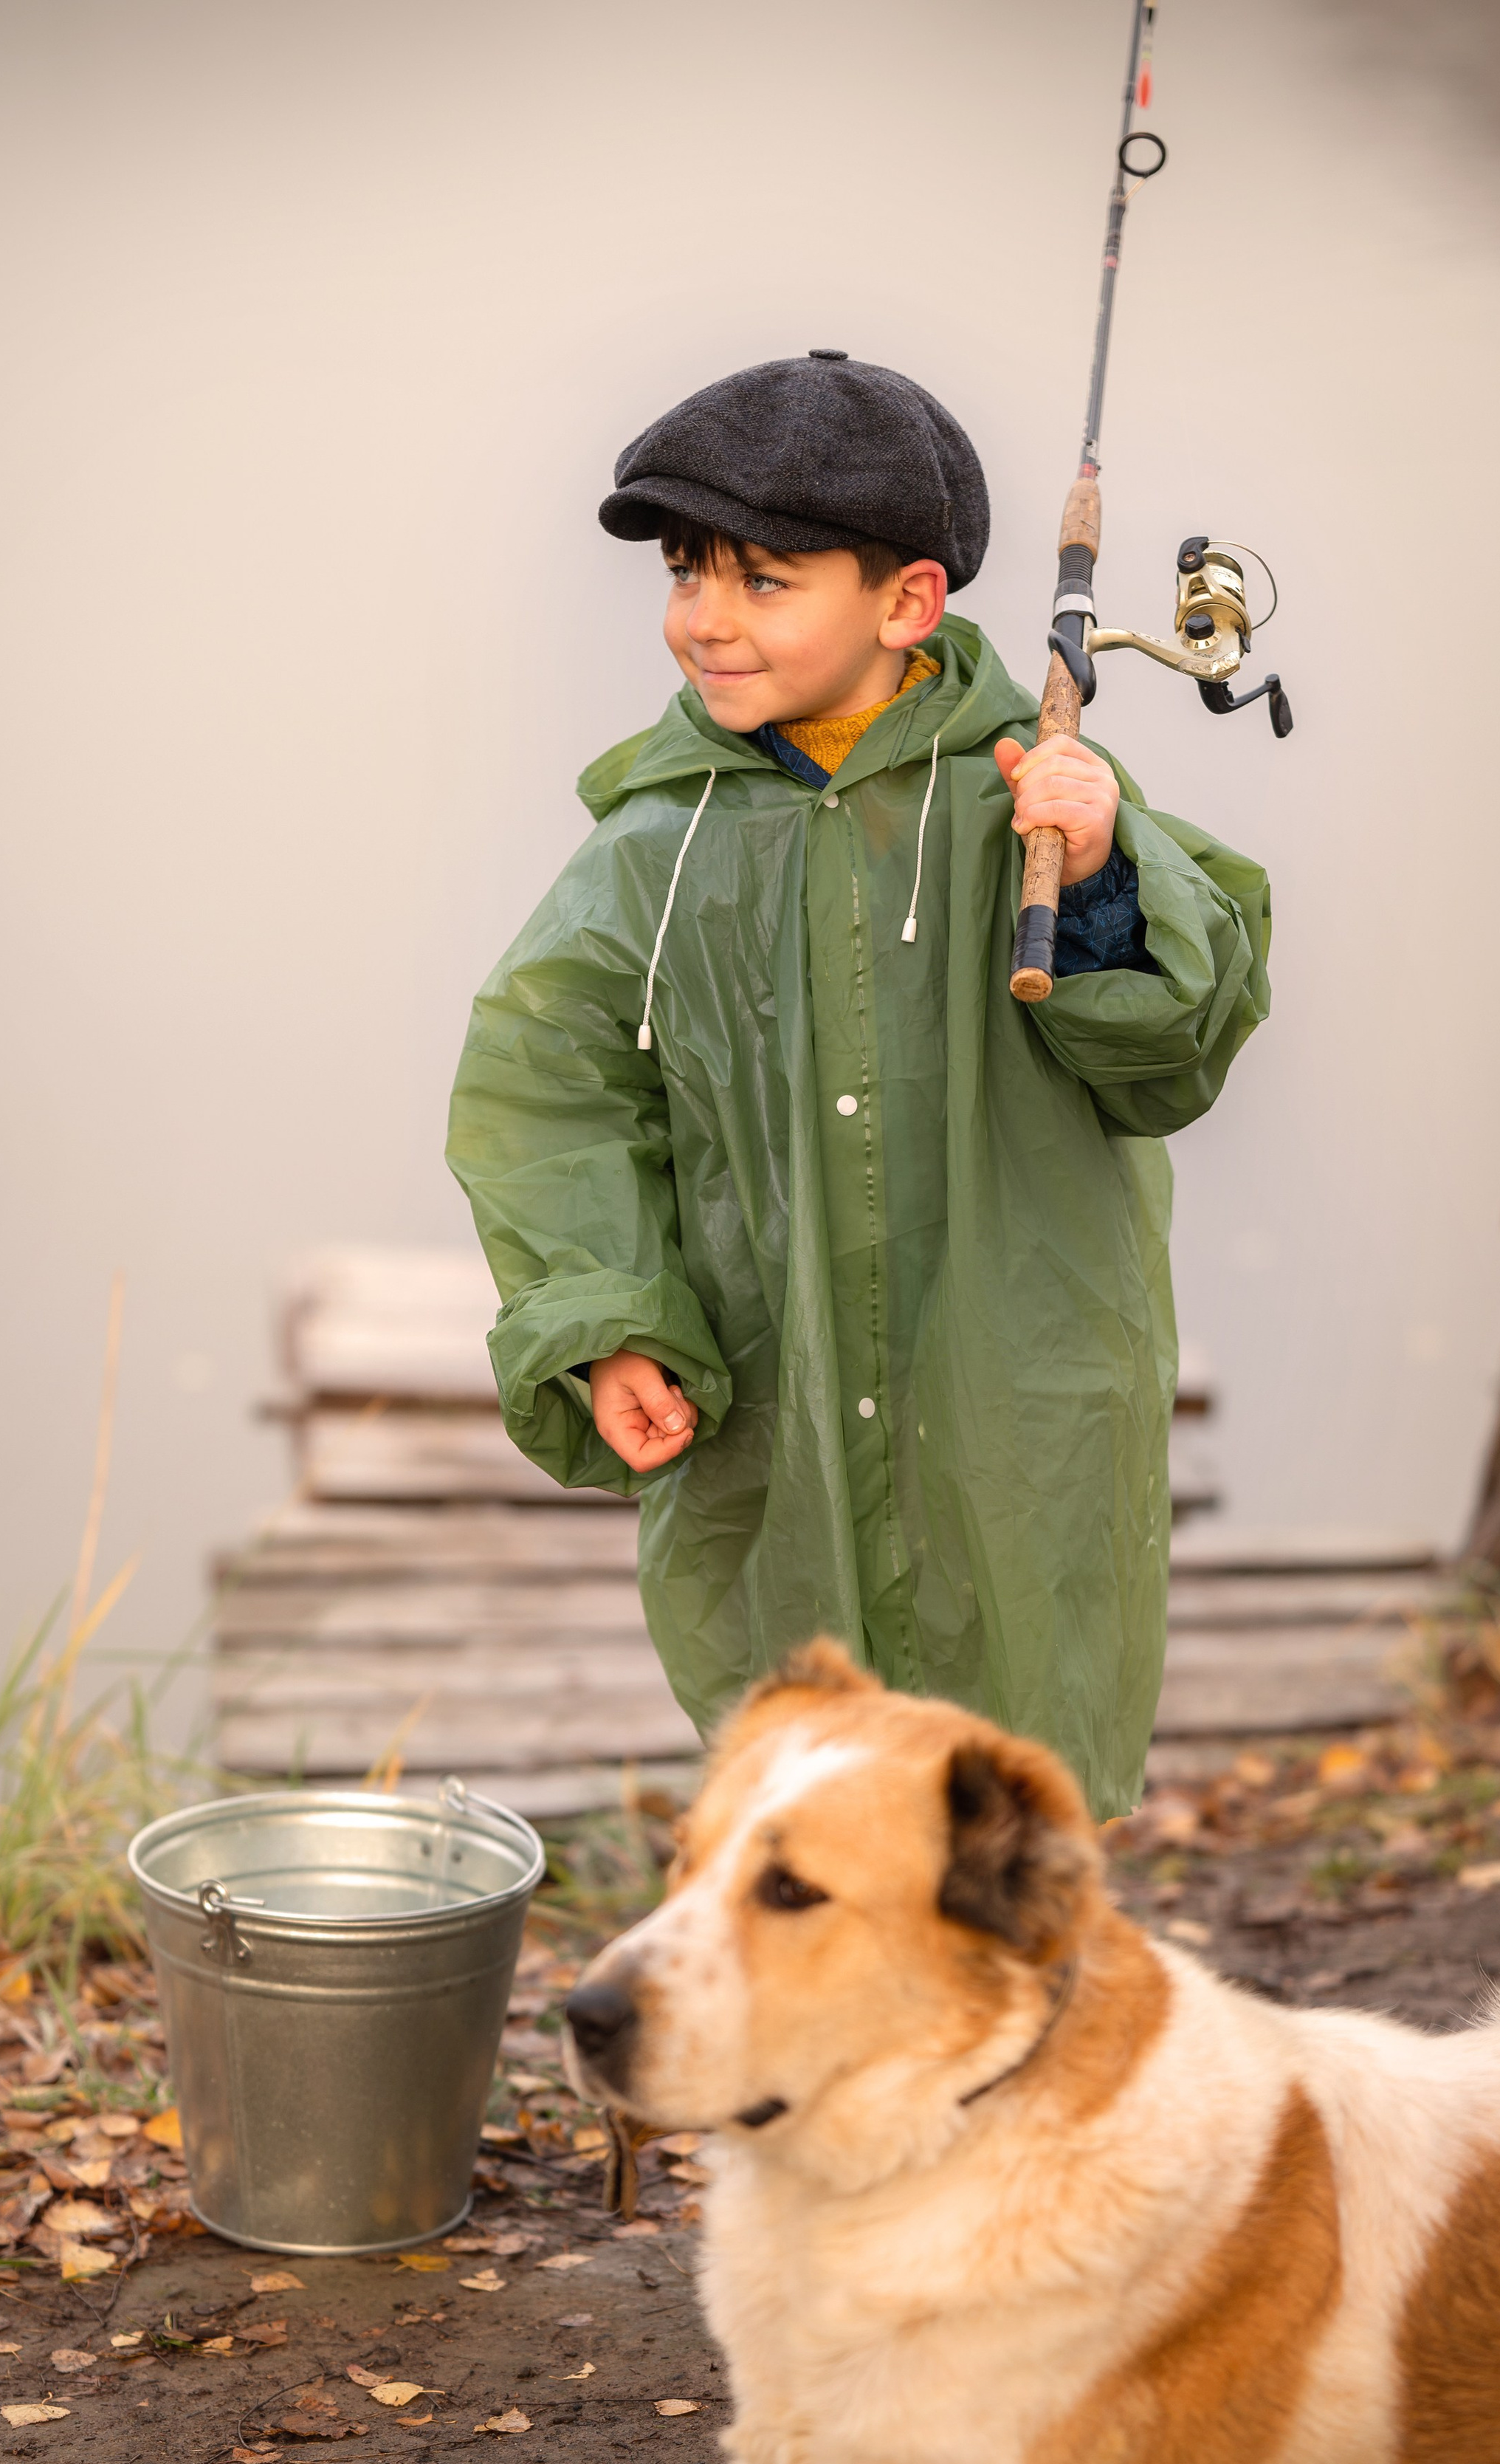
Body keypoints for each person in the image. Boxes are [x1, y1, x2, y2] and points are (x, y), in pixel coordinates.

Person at [446, 351, 1269, 1814]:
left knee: (1018, 1780)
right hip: (776, 1388)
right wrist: (604, 1320)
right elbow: (548, 1094)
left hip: (1011, 1382)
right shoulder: (653, 842)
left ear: (905, 603)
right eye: (688, 572)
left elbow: (1170, 1051)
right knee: (806, 1774)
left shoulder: (1032, 793)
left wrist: (1091, 877)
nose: (704, 616)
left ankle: (1022, 2011)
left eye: (763, 580)